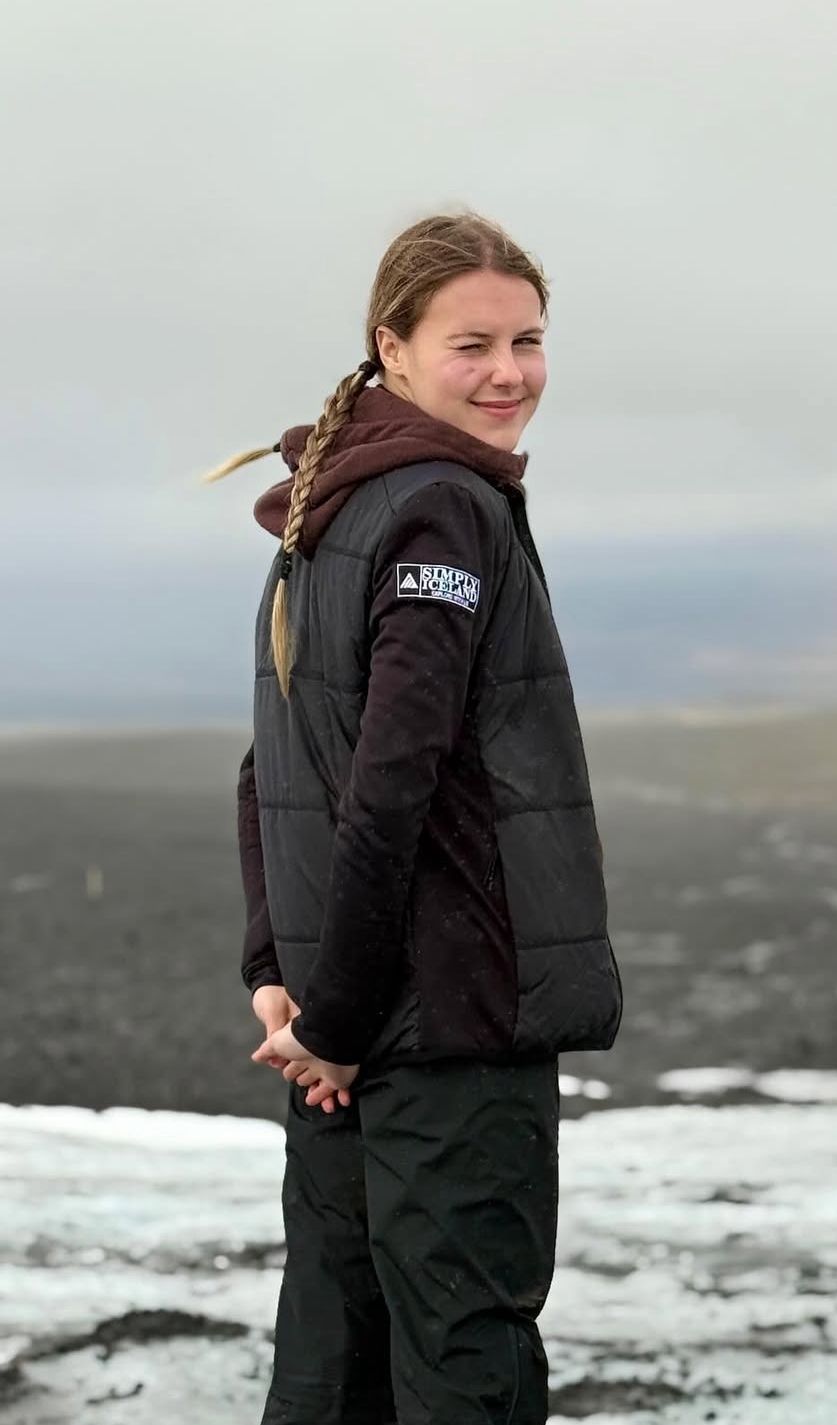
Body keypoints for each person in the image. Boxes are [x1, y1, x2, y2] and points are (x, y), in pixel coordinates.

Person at [205, 210, 623, 1425]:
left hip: (346, 1030)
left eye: (529, 341)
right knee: (458, 1374)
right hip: (440, 1031)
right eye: (472, 344)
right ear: (391, 345)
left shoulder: (331, 502)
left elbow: (272, 764)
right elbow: (388, 779)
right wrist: (323, 1011)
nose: (509, 373)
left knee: (335, 1372)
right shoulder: (441, 507)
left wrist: (285, 978)